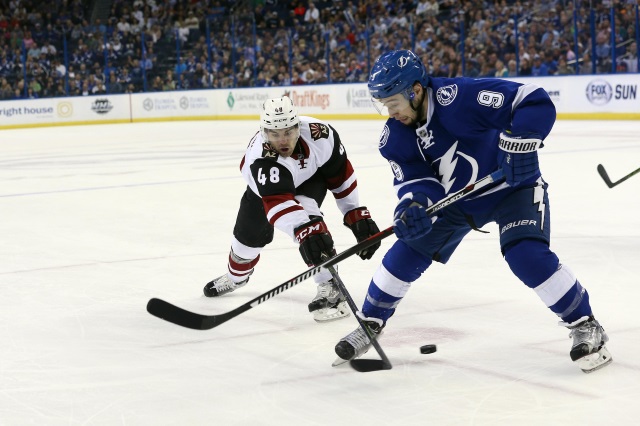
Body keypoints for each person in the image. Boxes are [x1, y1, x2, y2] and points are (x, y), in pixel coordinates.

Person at [333, 49, 612, 373]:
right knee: (405, 251)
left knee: (525, 255)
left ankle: (585, 324)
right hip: (456, 203)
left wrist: (519, 141)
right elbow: (415, 179)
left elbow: (532, 101)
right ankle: (369, 323)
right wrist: (414, 205)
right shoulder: (395, 136)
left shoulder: (461, 98)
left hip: (513, 188)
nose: (389, 111)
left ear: (416, 90)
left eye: (392, 102)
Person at [204, 97, 381, 322]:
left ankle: (329, 284)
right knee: (245, 243)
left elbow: (340, 175)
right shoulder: (261, 158)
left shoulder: (320, 135)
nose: (282, 140)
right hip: (264, 193)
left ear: (298, 127)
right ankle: (236, 277)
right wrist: (304, 233)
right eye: (274, 134)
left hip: (309, 180)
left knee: (311, 221)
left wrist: (354, 213)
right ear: (264, 133)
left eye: (288, 132)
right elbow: (278, 203)